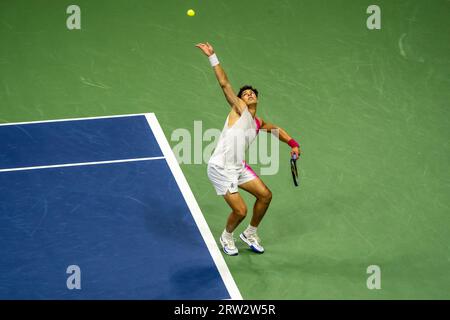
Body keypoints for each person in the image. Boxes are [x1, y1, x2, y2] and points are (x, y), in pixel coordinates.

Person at [195, 42, 301, 256]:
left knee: (265, 196)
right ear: (240, 100)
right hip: (220, 167)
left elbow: (276, 129)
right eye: (246, 94)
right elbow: (225, 84)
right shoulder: (239, 109)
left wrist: (293, 144)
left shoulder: (257, 122)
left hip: (238, 166)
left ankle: (250, 233)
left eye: (252, 93)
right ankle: (226, 236)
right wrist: (212, 57)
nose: (250, 94)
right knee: (240, 210)